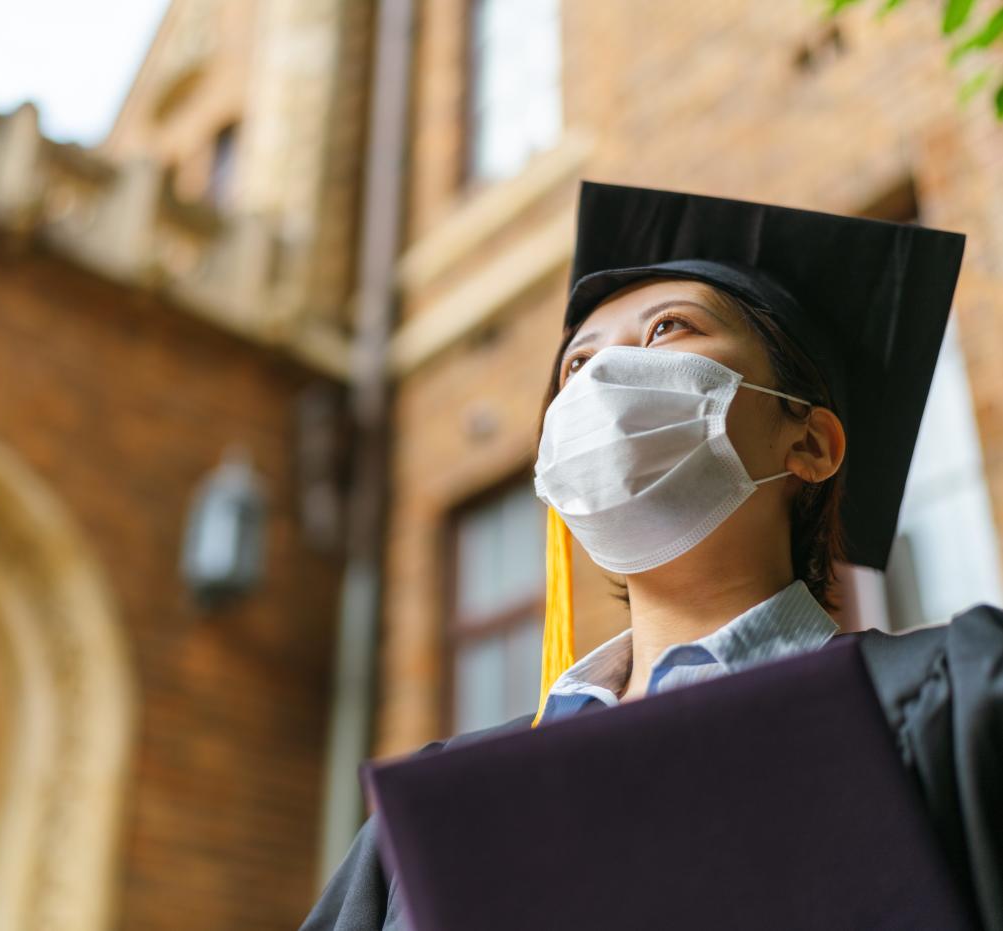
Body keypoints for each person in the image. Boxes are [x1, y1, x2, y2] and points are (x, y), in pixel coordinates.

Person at [300, 181, 1003, 930]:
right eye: (576, 366)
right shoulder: (428, 822)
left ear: (808, 442)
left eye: (668, 328)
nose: (600, 380)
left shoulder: (959, 697)